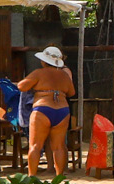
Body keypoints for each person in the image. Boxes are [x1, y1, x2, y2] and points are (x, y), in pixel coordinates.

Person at [20, 45, 76, 177]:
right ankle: (59, 177)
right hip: (62, 110)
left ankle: (31, 177)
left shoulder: (39, 73)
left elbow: (22, 86)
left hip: (42, 109)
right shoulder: (64, 75)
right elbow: (71, 92)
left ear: (44, 61)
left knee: (35, 146)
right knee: (59, 146)